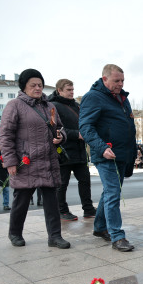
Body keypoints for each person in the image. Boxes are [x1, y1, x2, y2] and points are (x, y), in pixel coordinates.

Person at [0, 68, 70, 248]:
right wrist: (10, 162)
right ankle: (14, 233)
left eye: (40, 85)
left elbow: (60, 128)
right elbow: (6, 136)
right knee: (21, 201)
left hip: (48, 161)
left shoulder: (50, 106)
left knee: (51, 202)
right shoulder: (14, 105)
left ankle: (54, 236)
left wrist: (61, 136)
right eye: (33, 85)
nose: (38, 88)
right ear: (24, 87)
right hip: (25, 162)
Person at [79, 64, 136, 252]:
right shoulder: (93, 97)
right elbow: (86, 127)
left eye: (122, 81)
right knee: (113, 193)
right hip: (105, 154)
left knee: (111, 192)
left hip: (121, 153)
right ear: (104, 79)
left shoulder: (122, 98)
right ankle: (117, 236)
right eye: (116, 81)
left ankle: (99, 227)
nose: (120, 84)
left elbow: (128, 126)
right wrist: (102, 147)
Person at [48, 79, 97, 221]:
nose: (72, 92)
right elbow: (54, 128)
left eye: (72, 89)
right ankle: (61, 210)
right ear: (59, 90)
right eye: (68, 90)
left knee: (85, 181)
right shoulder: (53, 106)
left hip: (80, 151)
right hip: (63, 151)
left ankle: (88, 208)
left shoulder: (77, 105)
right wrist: (77, 134)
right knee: (62, 183)